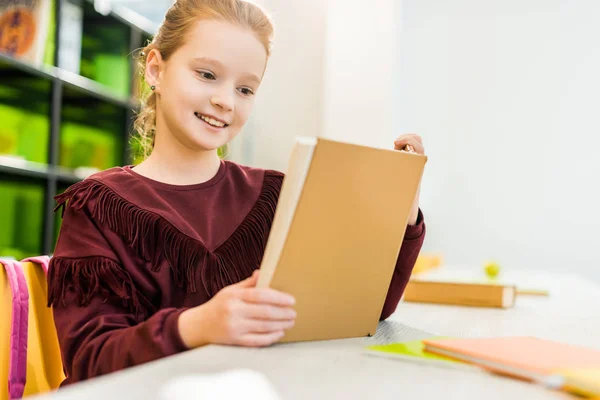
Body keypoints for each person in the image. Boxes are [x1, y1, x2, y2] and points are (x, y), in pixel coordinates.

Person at [47, 0, 427, 387]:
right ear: (156, 69)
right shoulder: (98, 205)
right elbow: (88, 361)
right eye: (207, 74)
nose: (226, 101)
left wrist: (401, 211)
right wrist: (196, 326)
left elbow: (364, 309)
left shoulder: (276, 196)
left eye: (245, 88)